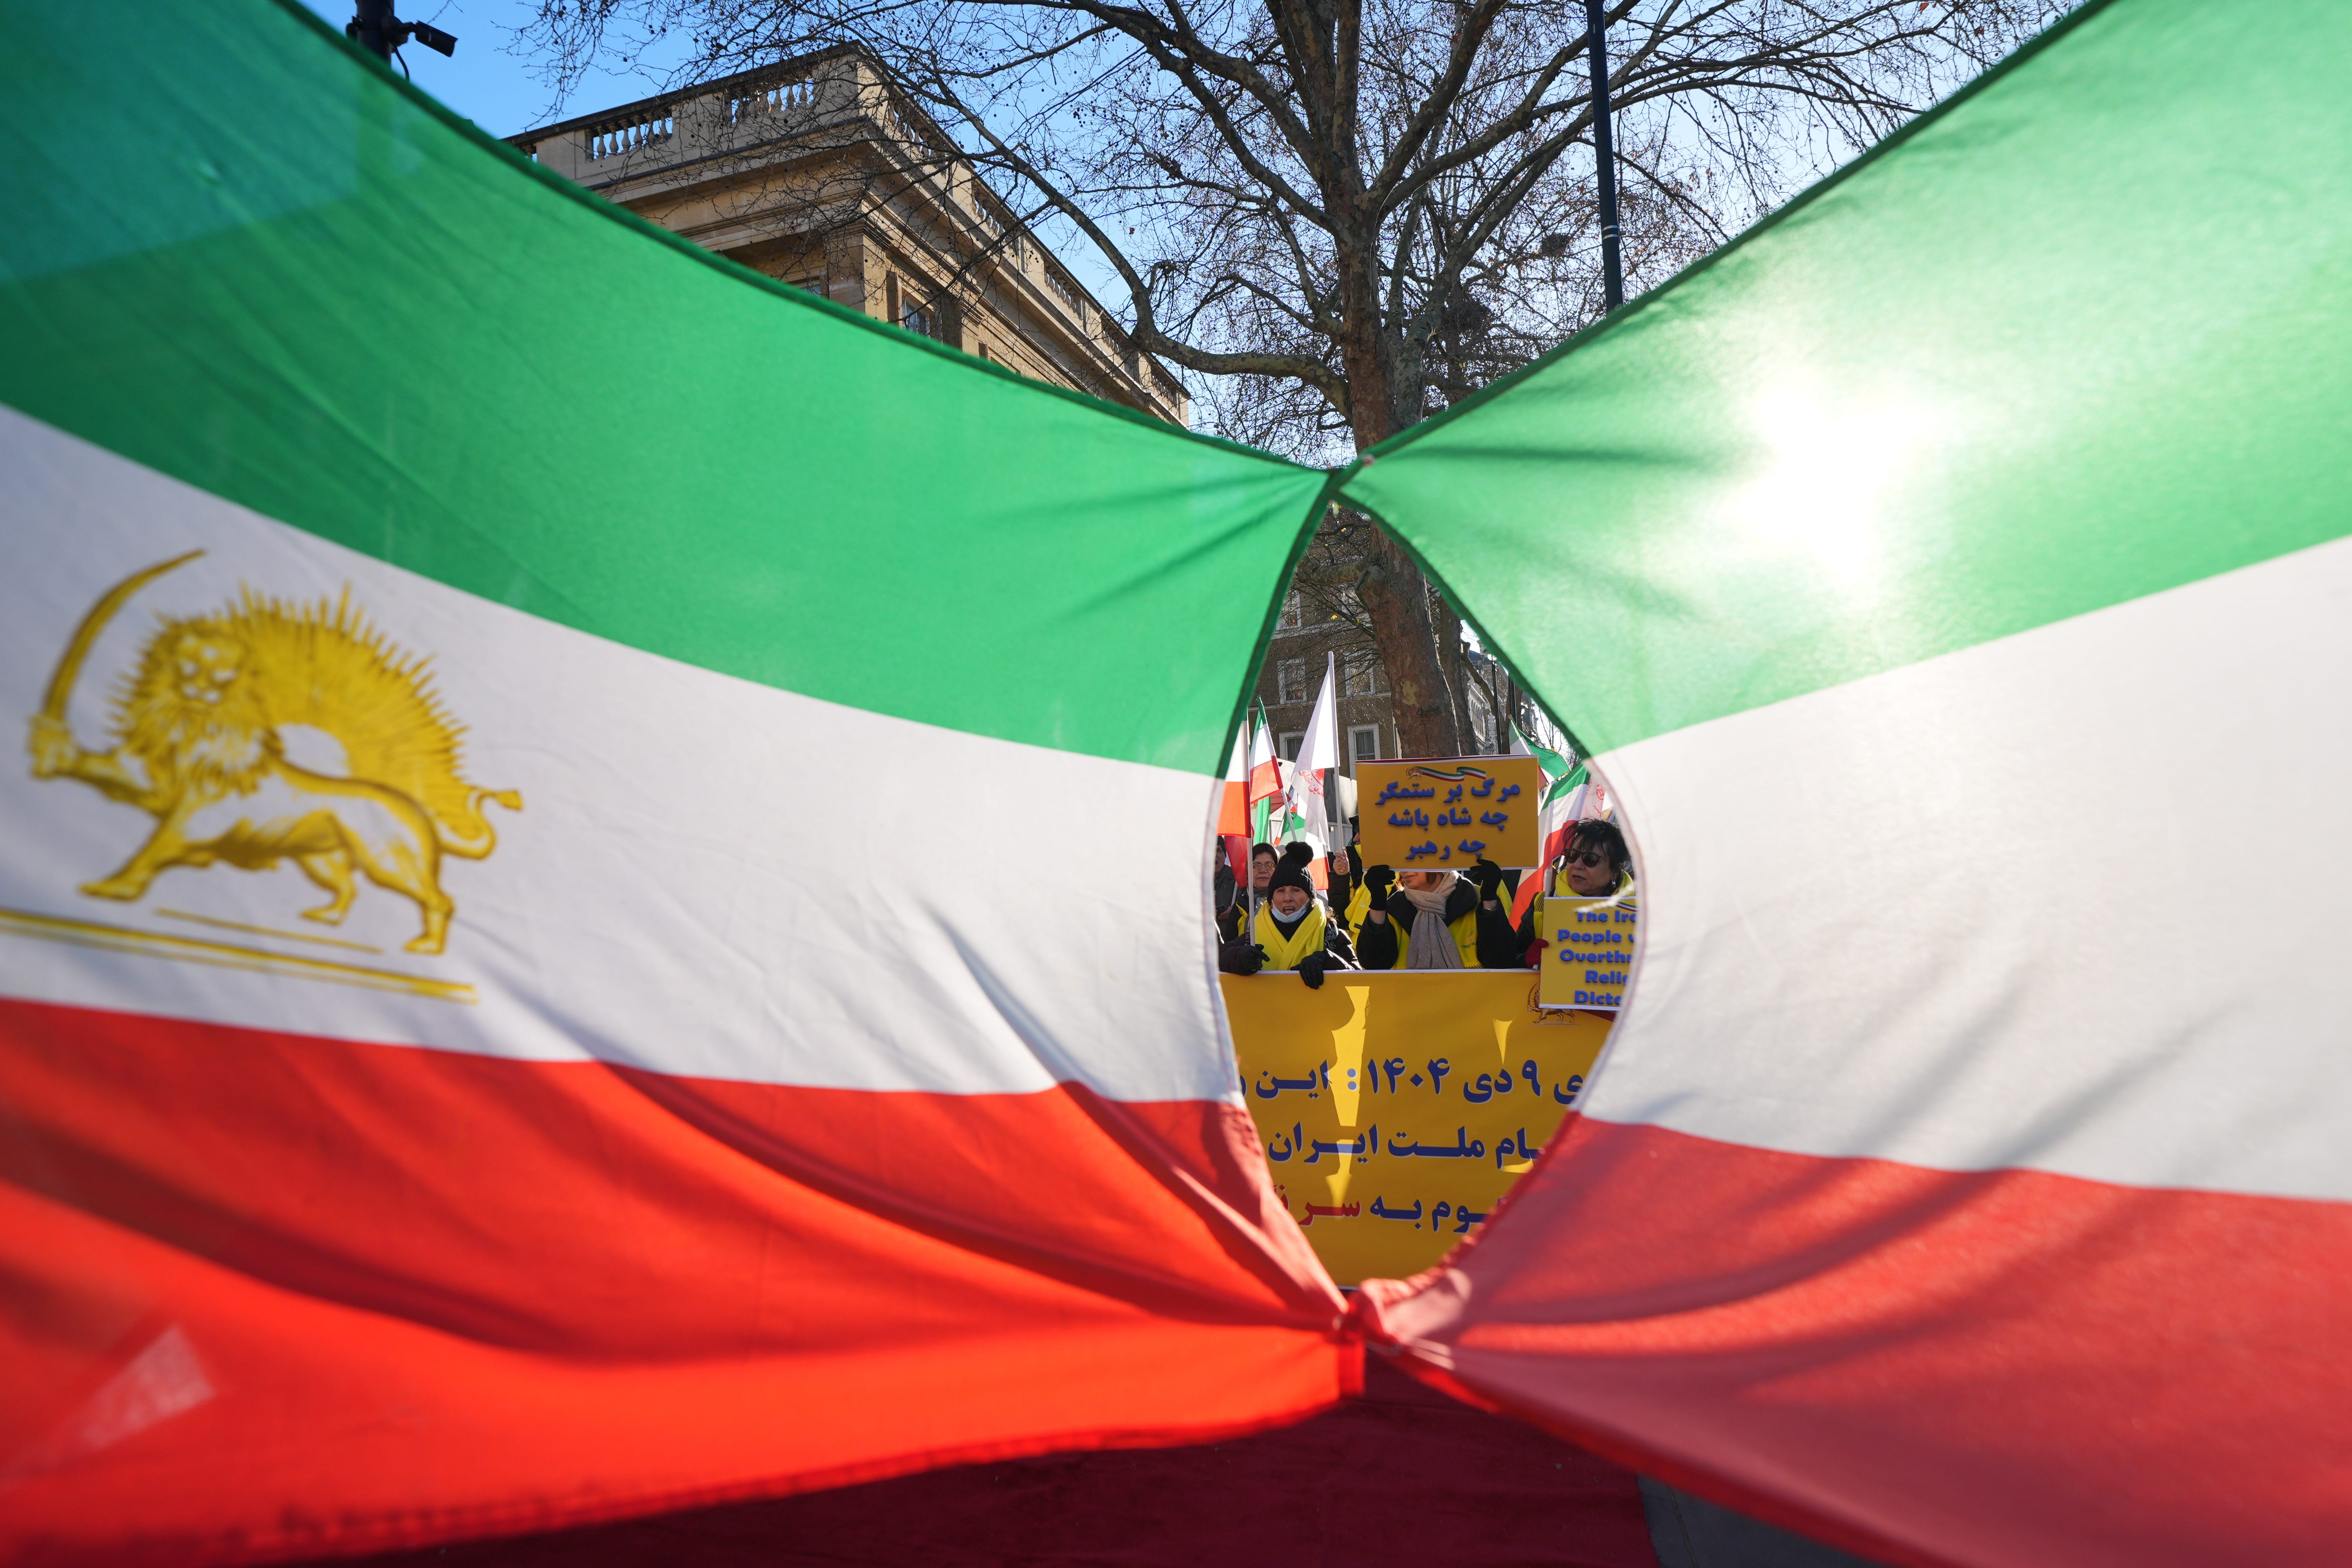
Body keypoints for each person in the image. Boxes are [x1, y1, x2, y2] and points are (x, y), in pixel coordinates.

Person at [1354, 858, 1524, 970]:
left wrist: (1489, 900)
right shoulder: (1392, 907)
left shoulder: (1478, 897)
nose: (1405, 870)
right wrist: (1378, 905)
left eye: (1416, 858)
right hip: (1408, 1007)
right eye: (1401, 860)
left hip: (1472, 1008)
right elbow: (1373, 964)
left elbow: (1501, 959)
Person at [1218, 854, 1358, 988]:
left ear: (1310, 897)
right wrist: (1238, 957)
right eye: (1280, 891)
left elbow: (1358, 977)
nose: (1288, 898)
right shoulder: (1254, 934)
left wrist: (1327, 960)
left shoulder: (1331, 934)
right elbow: (1216, 958)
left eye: (1296, 890)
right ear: (1271, 899)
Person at [1514, 818, 1636, 967]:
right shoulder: (1543, 904)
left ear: (1616, 871)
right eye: (1572, 855)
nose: (1577, 865)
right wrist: (1528, 960)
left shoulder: (1640, 912)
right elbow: (1510, 961)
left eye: (1590, 859)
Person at [1215, 841, 1281, 942]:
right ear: (1248, 870)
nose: (1263, 870)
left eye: (1270, 865)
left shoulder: (1284, 904)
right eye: (1256, 866)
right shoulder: (1239, 908)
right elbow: (1230, 946)